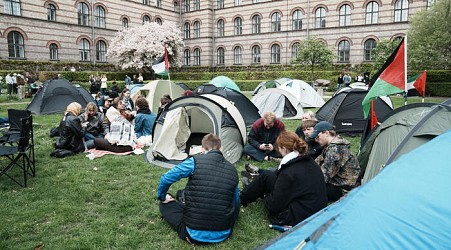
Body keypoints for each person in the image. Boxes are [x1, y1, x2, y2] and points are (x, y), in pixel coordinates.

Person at [157, 134, 239, 244]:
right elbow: (236, 202)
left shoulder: (194, 161)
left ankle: (167, 201)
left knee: (165, 204)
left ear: (202, 149)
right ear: (221, 148)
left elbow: (166, 179)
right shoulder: (232, 170)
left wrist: (162, 196)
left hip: (193, 235)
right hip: (223, 232)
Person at [240, 131, 327, 227]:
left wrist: (266, 195)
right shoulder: (309, 161)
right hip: (317, 208)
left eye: (278, 148)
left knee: (266, 180)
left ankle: (242, 197)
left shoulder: (289, 172)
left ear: (284, 149)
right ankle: (249, 190)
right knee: (267, 175)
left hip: (297, 215)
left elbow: (273, 206)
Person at [311, 121, 361, 202]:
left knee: (311, 189)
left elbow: (325, 176)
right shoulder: (331, 145)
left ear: (326, 133)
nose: (316, 140)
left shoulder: (335, 149)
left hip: (344, 189)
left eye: (318, 136)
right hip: (338, 183)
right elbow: (317, 162)